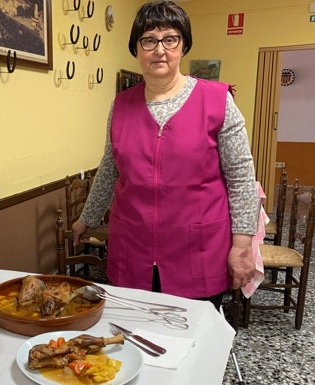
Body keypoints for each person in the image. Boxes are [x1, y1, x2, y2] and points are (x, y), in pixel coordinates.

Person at [72, 0, 258, 309]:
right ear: (136, 48)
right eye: (149, 40)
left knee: (193, 342)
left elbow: (241, 177)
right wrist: (86, 219)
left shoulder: (217, 101)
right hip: (134, 248)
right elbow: (110, 167)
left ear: (183, 45)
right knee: (137, 338)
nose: (160, 49)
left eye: (170, 39)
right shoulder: (120, 105)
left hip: (197, 249)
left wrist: (242, 245)